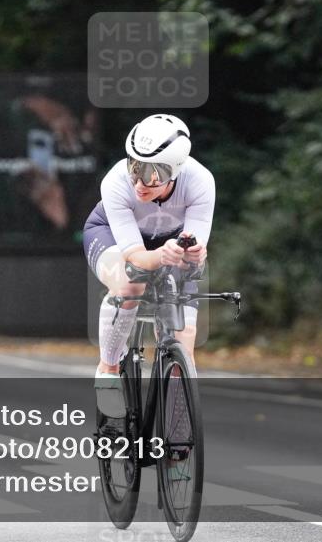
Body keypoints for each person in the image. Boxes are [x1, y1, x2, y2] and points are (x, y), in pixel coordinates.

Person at [82, 114, 214, 417]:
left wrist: (194, 255)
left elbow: (194, 247)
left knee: (184, 334)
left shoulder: (200, 181)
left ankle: (177, 412)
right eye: (135, 167)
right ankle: (108, 369)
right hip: (112, 235)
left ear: (176, 170)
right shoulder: (116, 182)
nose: (140, 183)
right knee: (130, 285)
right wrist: (162, 256)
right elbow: (136, 257)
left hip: (170, 242)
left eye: (154, 175)